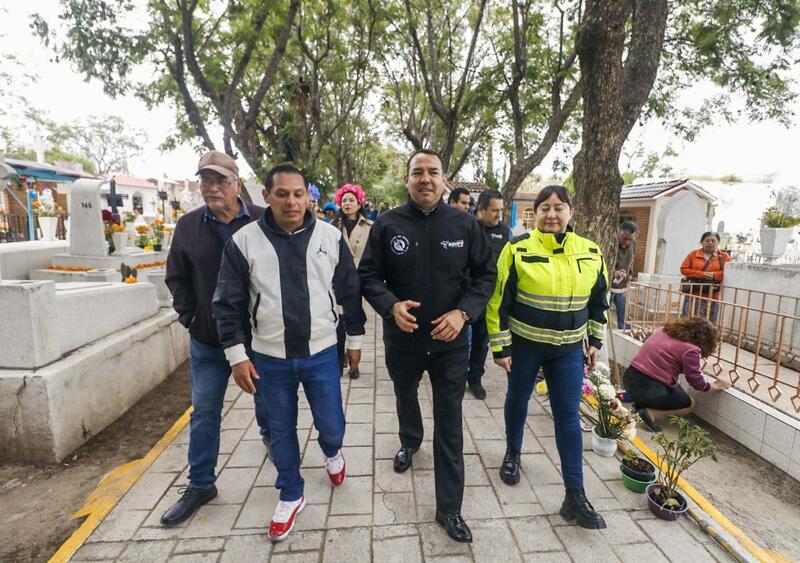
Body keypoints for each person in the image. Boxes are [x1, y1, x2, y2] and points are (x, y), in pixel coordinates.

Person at [213, 164, 366, 542]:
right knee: (279, 430)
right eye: (282, 194)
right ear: (266, 196)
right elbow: (228, 303)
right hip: (269, 359)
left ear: (309, 197)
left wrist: (355, 341)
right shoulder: (244, 242)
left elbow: (349, 291)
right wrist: (237, 356)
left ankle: (332, 451)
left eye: (299, 194)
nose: (292, 202)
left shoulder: (330, 237)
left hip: (322, 353)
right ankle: (291, 492)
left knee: (332, 425)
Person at [359, 149, 496, 543]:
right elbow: (368, 275)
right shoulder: (387, 224)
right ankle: (409, 441)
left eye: (433, 172)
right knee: (405, 396)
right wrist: (390, 306)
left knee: (449, 421)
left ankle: (449, 508)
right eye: (417, 172)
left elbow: (486, 276)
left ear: (443, 179)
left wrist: (463, 314)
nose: (425, 179)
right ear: (407, 179)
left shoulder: (464, 224)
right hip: (402, 339)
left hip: (450, 344)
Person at [486, 185, 609, 530]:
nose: (552, 214)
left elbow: (599, 302)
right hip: (525, 347)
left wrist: (595, 340)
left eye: (559, 208)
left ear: (571, 212)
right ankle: (513, 453)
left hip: (568, 351)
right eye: (545, 208)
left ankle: (575, 495)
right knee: (518, 399)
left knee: (567, 416)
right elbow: (498, 301)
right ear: (535, 213)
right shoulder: (517, 249)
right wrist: (501, 348)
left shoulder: (590, 251)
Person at [161, 150, 271, 526]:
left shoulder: (262, 220)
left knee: (267, 401)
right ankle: (201, 484)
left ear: (236, 184)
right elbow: (176, 277)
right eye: (205, 181)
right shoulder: (189, 226)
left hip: (257, 340)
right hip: (209, 341)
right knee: (205, 412)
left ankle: (272, 440)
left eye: (220, 180)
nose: (212, 188)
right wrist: (191, 318)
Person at [624, 317, 730, 433]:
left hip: (629, 379)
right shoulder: (691, 350)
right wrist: (716, 385)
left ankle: (639, 405)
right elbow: (697, 383)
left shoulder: (663, 330)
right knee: (690, 404)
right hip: (650, 388)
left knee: (674, 389)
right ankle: (650, 413)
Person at [466, 189, 512, 400]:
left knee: (480, 343)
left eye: (501, 210)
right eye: (494, 210)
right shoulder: (466, 227)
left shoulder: (504, 232)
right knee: (458, 342)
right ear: (480, 209)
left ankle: (475, 379)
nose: (498, 215)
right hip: (465, 297)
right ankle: (455, 375)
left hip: (489, 299)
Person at [331, 183, 373, 379]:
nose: (347, 203)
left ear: (359, 202)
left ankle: (354, 364)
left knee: (356, 320)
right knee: (338, 323)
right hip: (338, 281)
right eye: (344, 200)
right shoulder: (332, 226)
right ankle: (339, 361)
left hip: (361, 281)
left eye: (351, 200)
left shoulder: (371, 227)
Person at [680, 231, 730, 322]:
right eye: (707, 240)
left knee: (709, 322)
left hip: (712, 295)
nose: (710, 243)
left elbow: (728, 273)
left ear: (718, 242)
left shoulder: (723, 256)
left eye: (713, 241)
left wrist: (713, 275)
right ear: (702, 242)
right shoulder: (693, 254)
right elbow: (684, 269)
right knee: (689, 321)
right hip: (693, 294)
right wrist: (703, 274)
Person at [609, 221, 639, 329]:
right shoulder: (610, 242)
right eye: (625, 238)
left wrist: (630, 272)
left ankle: (624, 333)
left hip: (623, 287)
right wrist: (613, 272)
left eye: (630, 239)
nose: (627, 242)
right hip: (608, 286)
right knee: (603, 317)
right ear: (619, 232)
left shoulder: (632, 244)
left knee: (625, 318)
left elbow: (632, 260)